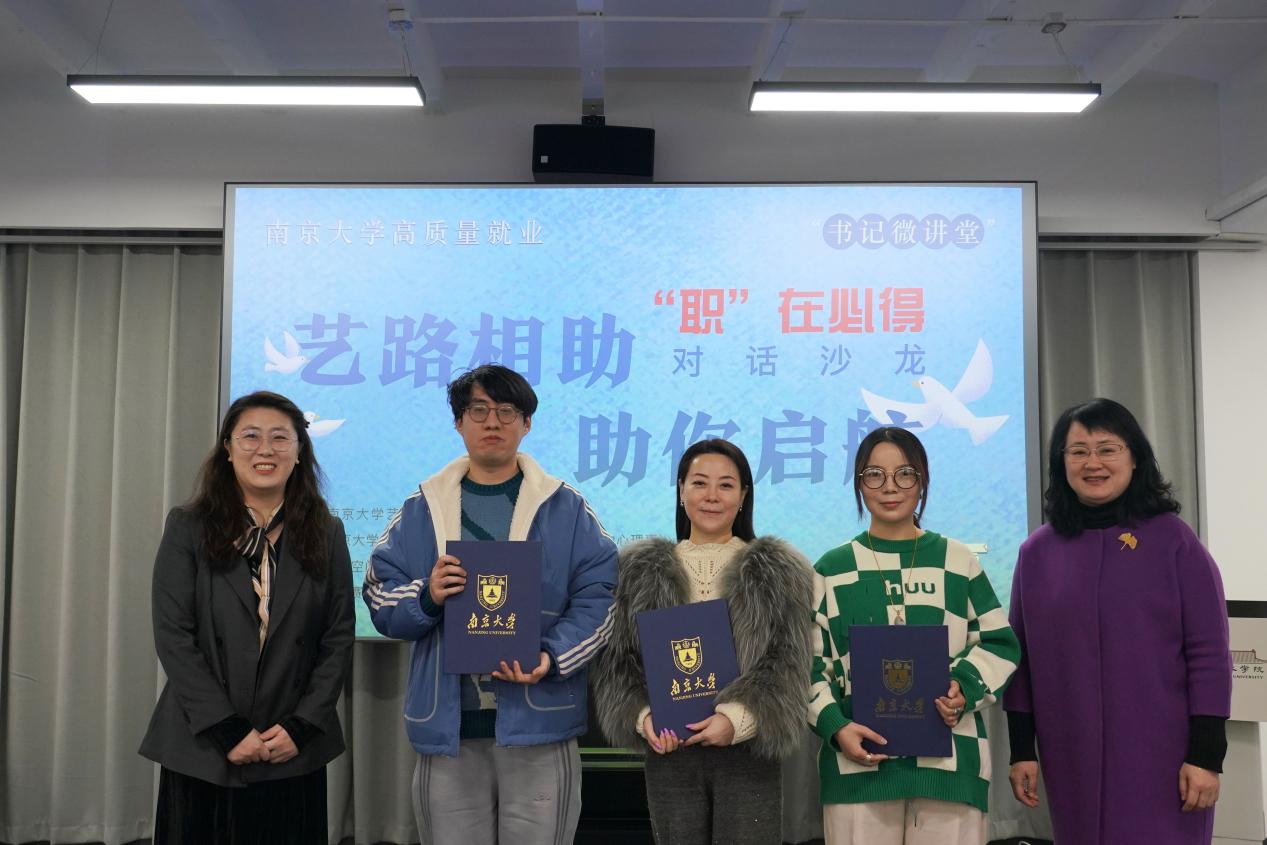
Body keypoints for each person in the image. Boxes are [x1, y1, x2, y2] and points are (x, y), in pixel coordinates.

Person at [362, 363, 617, 845]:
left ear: (527, 423)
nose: (493, 422)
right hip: (449, 730)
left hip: (539, 723)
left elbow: (603, 597)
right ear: (459, 422)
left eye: (507, 410)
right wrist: (426, 595)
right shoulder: (421, 508)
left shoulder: (566, 508)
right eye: (478, 410)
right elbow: (378, 590)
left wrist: (552, 656)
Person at [1004, 398, 1232, 844]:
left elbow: (1209, 653)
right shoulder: (1037, 553)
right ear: (1061, 463)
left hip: (1167, 759)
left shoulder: (1174, 542)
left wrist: (1207, 755)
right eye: (1078, 451)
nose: (1093, 463)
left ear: (1135, 457)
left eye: (1107, 449)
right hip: (1071, 757)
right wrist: (1021, 750)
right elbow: (1022, 661)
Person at [139, 391, 354, 844]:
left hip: (289, 744)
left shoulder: (326, 532)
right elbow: (174, 636)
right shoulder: (189, 526)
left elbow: (337, 638)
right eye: (250, 436)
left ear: (299, 451)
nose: (265, 450)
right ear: (228, 448)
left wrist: (302, 727)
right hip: (203, 741)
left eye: (280, 438)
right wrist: (226, 729)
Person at [592, 438, 814, 844]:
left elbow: (788, 664)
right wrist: (644, 719)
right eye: (699, 483)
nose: (712, 496)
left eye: (726, 485)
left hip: (748, 753)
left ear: (743, 496)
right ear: (681, 490)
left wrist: (737, 721)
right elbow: (618, 663)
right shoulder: (637, 570)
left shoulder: (779, 571)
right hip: (670, 751)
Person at [808, 427, 1019, 845]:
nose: (890, 487)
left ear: (922, 481)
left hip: (951, 766)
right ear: (859, 483)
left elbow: (999, 643)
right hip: (858, 771)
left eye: (905, 474)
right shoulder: (832, 568)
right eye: (875, 475)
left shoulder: (958, 560)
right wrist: (836, 726)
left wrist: (963, 688)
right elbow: (808, 665)